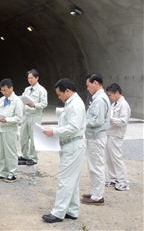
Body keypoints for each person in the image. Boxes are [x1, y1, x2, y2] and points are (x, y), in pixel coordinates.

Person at [41, 78, 86, 223]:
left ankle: (58, 213)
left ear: (67, 91)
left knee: (65, 180)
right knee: (72, 180)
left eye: (60, 94)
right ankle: (72, 211)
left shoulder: (76, 105)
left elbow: (74, 127)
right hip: (70, 145)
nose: (59, 97)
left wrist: (54, 131)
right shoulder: (71, 103)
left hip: (73, 146)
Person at [82, 73, 110, 206]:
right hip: (94, 136)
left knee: (97, 167)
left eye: (89, 85)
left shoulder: (99, 100)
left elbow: (97, 120)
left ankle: (98, 196)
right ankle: (94, 192)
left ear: (96, 83)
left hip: (96, 137)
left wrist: (83, 121)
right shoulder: (99, 98)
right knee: (93, 166)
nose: (88, 88)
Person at [0, 78, 23, 183]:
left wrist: (7, 120)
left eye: (5, 90)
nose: (4, 92)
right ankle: (3, 173)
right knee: (1, 152)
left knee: (11, 152)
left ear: (11, 88)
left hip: (10, 130)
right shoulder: (0, 101)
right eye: (2, 90)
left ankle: (13, 173)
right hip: (1, 129)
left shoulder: (17, 101)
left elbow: (18, 117)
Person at [105, 83, 131, 191]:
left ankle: (123, 182)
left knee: (116, 158)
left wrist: (109, 119)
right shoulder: (114, 104)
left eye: (111, 95)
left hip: (116, 134)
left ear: (117, 93)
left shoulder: (124, 105)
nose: (110, 98)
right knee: (109, 157)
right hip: (110, 133)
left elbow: (123, 121)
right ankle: (113, 178)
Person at [19, 69, 48, 166]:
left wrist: (34, 105)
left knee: (34, 137)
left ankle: (33, 157)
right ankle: (25, 155)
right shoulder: (27, 90)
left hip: (35, 116)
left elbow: (44, 103)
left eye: (32, 78)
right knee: (23, 136)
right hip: (26, 116)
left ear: (37, 78)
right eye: (28, 78)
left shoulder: (41, 90)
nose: (30, 80)